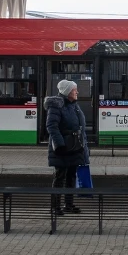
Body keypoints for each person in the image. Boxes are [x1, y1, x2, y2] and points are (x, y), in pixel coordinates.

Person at [45, 79, 87, 216]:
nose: (77, 92)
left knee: (71, 177)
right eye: (75, 90)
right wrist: (60, 144)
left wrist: (83, 146)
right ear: (68, 92)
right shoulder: (56, 106)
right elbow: (52, 126)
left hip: (75, 146)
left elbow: (81, 127)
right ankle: (55, 207)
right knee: (59, 177)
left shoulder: (74, 105)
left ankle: (68, 205)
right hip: (63, 147)